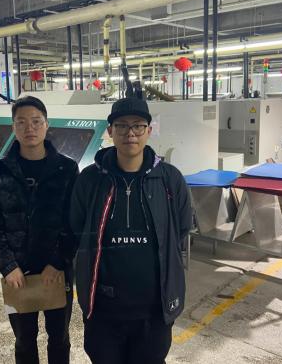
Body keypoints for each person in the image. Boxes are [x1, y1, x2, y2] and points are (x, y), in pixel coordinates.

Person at [70, 96, 193, 364]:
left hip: (154, 310)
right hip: (103, 309)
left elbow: (181, 228)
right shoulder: (90, 180)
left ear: (149, 130)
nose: (130, 133)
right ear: (110, 131)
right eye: (122, 125)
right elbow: (77, 228)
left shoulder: (169, 179)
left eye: (138, 125)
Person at [0, 96, 79, 364]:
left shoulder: (67, 169)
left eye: (36, 121)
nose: (29, 128)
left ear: (47, 125)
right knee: (24, 339)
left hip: (56, 272)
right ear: (13, 127)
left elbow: (74, 222)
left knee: (59, 336)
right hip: (17, 274)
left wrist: (57, 262)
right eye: (21, 122)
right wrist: (7, 266)